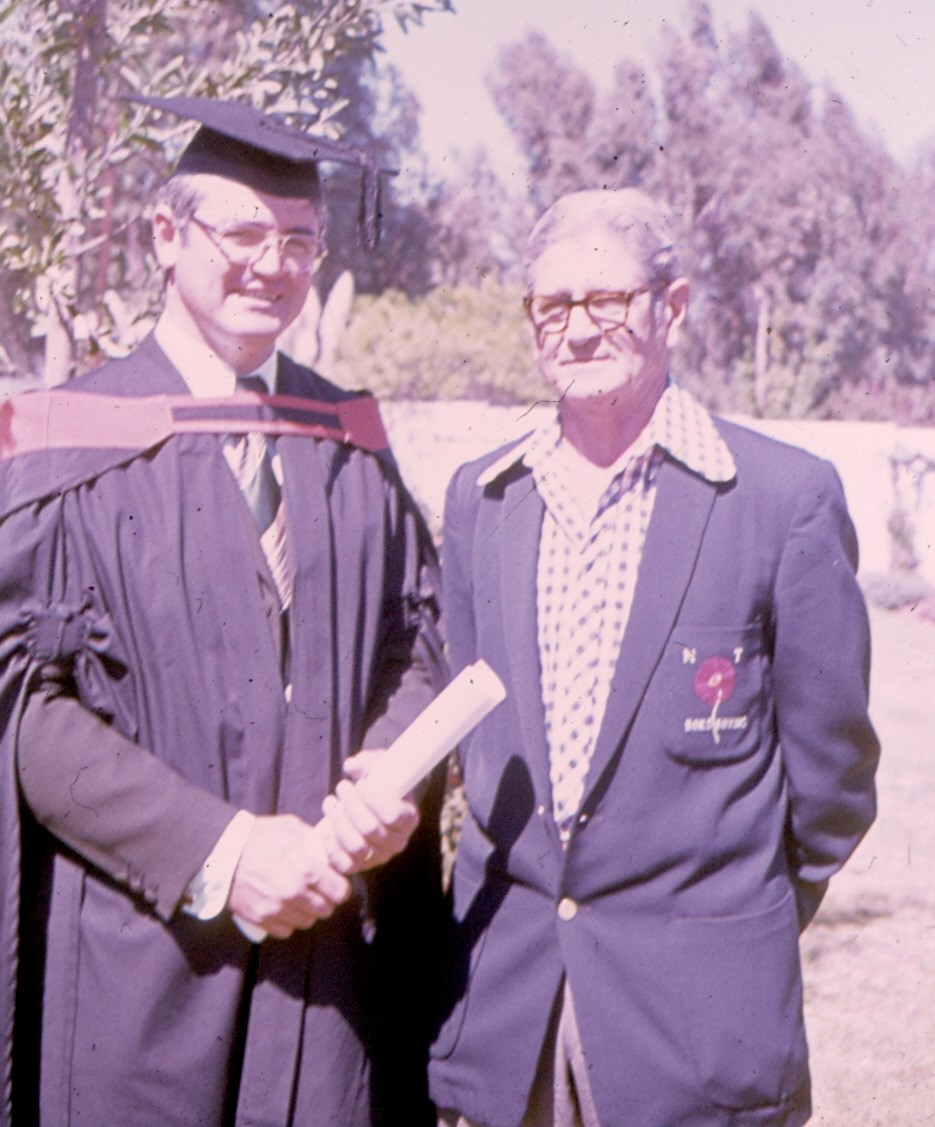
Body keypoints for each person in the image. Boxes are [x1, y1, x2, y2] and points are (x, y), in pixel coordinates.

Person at [0, 96, 446, 1126]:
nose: (272, 266)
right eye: (242, 233)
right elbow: (27, 707)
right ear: (166, 235)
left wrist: (396, 766)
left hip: (325, 967)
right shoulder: (67, 446)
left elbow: (411, 644)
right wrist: (220, 850)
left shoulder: (348, 445)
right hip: (140, 964)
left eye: (298, 241)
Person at [429, 188, 879, 1127]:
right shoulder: (484, 498)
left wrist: (724, 921)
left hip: (698, 1033)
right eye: (553, 306)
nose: (579, 329)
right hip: (511, 1021)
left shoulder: (780, 498)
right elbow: (473, 739)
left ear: (669, 307)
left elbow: (831, 785)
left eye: (607, 300)